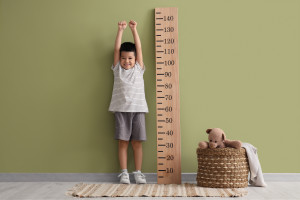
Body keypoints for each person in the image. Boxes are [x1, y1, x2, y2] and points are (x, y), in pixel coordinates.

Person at [108, 20, 148, 184]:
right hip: (121, 110)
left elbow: (139, 48)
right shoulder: (117, 69)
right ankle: (124, 173)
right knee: (123, 142)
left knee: (137, 143)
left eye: (130, 58)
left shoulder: (138, 68)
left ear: (135, 58)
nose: (126, 61)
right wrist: (120, 30)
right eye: (124, 58)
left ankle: (138, 172)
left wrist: (134, 30)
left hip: (138, 110)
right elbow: (117, 49)